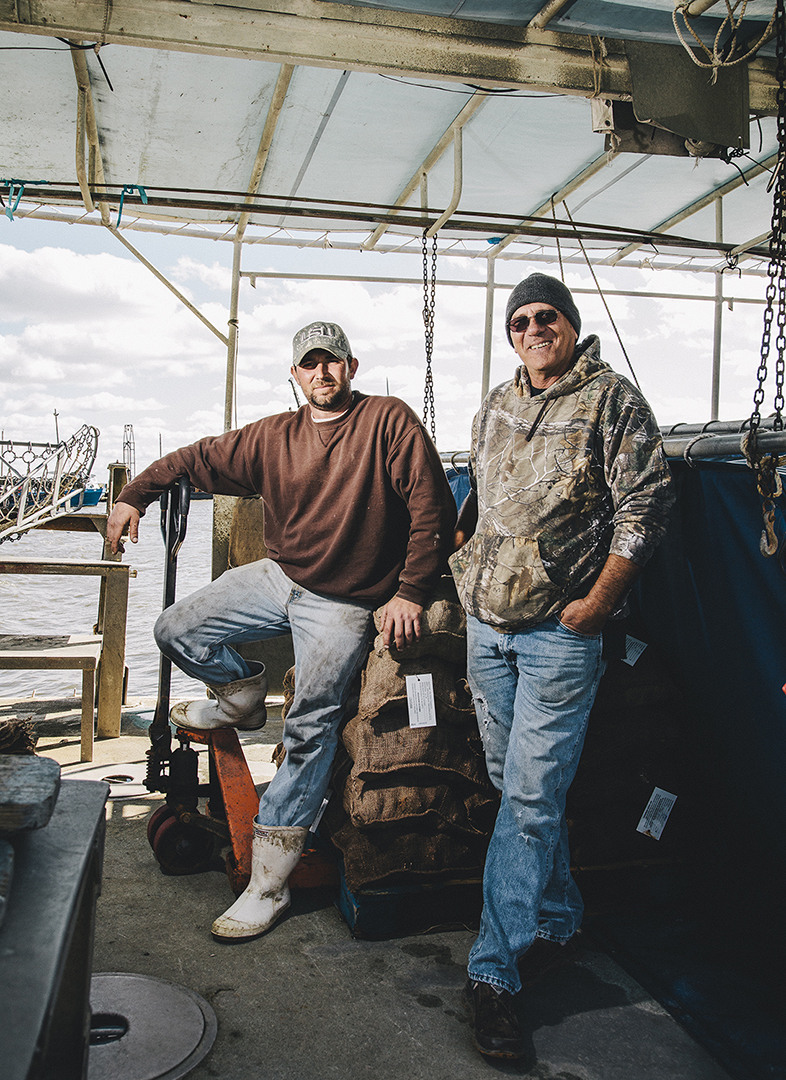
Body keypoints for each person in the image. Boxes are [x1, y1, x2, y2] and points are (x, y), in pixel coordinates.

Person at [107, 320, 456, 941]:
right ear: (294, 375)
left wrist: (409, 592)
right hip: (279, 575)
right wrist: (137, 494)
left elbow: (434, 506)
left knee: (309, 725)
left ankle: (268, 883)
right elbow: (195, 458)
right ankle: (240, 696)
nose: (322, 373)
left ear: (352, 365)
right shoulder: (273, 436)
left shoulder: (388, 421)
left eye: (333, 362)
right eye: (309, 364)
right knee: (175, 628)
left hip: (346, 600)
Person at [449, 274, 674, 1060]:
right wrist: (464, 563)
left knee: (533, 798)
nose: (534, 328)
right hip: (489, 627)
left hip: (559, 634)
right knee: (518, 789)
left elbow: (647, 504)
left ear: (572, 326)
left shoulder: (612, 400)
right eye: (520, 321)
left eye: (547, 317)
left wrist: (600, 602)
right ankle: (557, 918)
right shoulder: (498, 403)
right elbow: (478, 494)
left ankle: (494, 973)